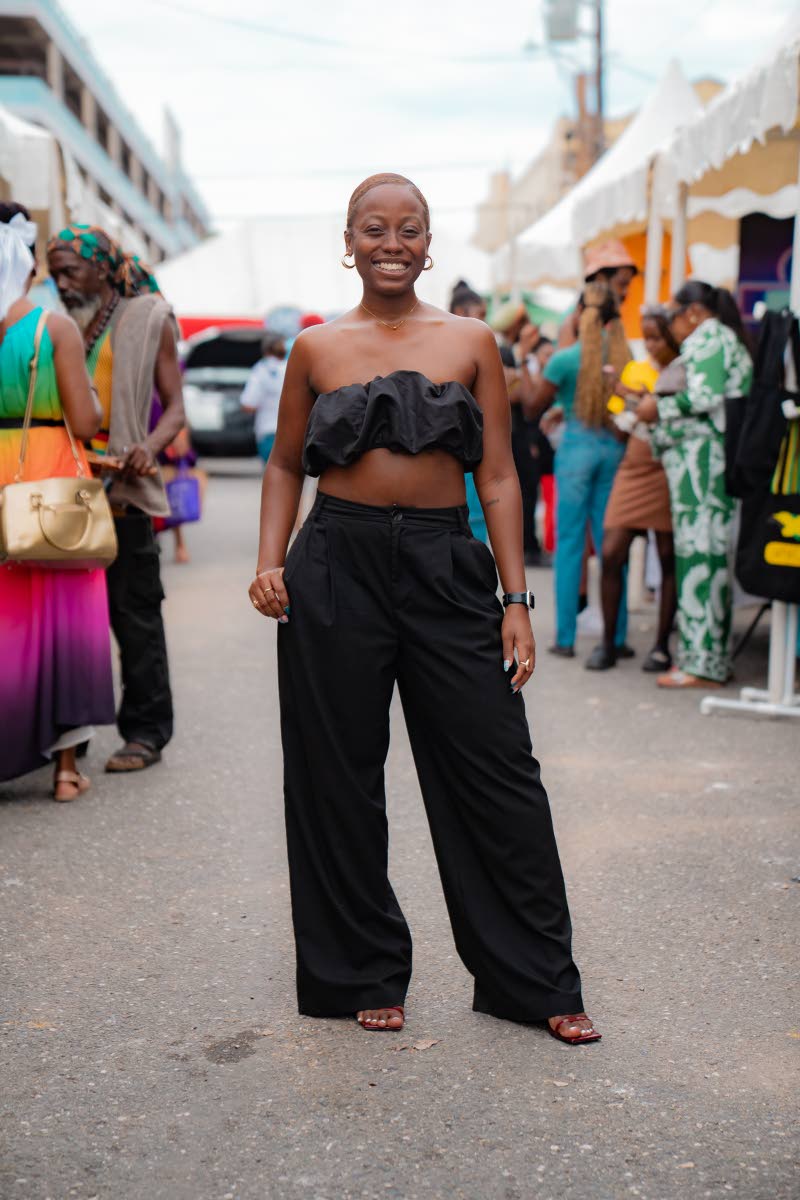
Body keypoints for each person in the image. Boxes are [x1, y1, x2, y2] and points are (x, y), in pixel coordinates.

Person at [249, 173, 599, 1045]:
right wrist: (269, 561)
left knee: (497, 771)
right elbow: (288, 462)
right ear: (350, 240)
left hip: (448, 566)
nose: (392, 242)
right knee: (336, 775)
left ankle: (534, 979)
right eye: (375, 228)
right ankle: (358, 970)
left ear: (430, 242)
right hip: (336, 562)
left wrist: (516, 599)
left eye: (409, 229)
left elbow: (501, 473)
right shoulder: (316, 348)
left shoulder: (473, 340)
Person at [46, 225, 185, 772]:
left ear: (102, 268)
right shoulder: (52, 324)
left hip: (122, 492)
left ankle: (146, 732)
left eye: (69, 270)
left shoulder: (149, 318)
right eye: (53, 272)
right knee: (69, 621)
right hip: (63, 489)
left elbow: (175, 407)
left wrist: (149, 447)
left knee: (135, 616)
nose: (60, 281)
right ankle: (68, 736)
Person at [0, 203, 115, 799]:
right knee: (68, 616)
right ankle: (66, 770)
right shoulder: (52, 328)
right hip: (47, 477)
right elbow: (87, 418)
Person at [635, 281, 753, 688]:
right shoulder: (717, 339)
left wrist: (657, 406)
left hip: (704, 470)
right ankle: (706, 659)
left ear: (694, 312)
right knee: (703, 558)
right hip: (700, 469)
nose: (670, 326)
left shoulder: (713, 338)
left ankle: (703, 664)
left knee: (701, 558)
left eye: (672, 315)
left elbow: (704, 395)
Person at [530, 282, 632, 658]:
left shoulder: (565, 359)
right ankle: (617, 637)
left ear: (577, 314)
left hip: (576, 450)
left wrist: (558, 403)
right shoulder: (625, 355)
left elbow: (531, 407)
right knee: (612, 548)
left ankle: (566, 638)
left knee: (571, 545)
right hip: (614, 450)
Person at [585, 307, 680, 672]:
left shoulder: (682, 368)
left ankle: (660, 647)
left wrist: (641, 399)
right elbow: (621, 430)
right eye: (648, 337)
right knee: (610, 552)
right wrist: (619, 399)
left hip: (669, 465)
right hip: (636, 464)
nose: (651, 345)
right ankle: (608, 643)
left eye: (657, 337)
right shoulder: (635, 370)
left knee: (669, 556)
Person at [557, 240, 638, 349]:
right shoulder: (574, 319)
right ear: (600, 279)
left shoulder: (612, 320)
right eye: (622, 284)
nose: (625, 292)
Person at [241, 332, 289, 464]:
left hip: (269, 433)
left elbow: (248, 403)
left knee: (273, 476)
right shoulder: (292, 367)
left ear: (265, 350)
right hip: (293, 434)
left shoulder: (261, 370)